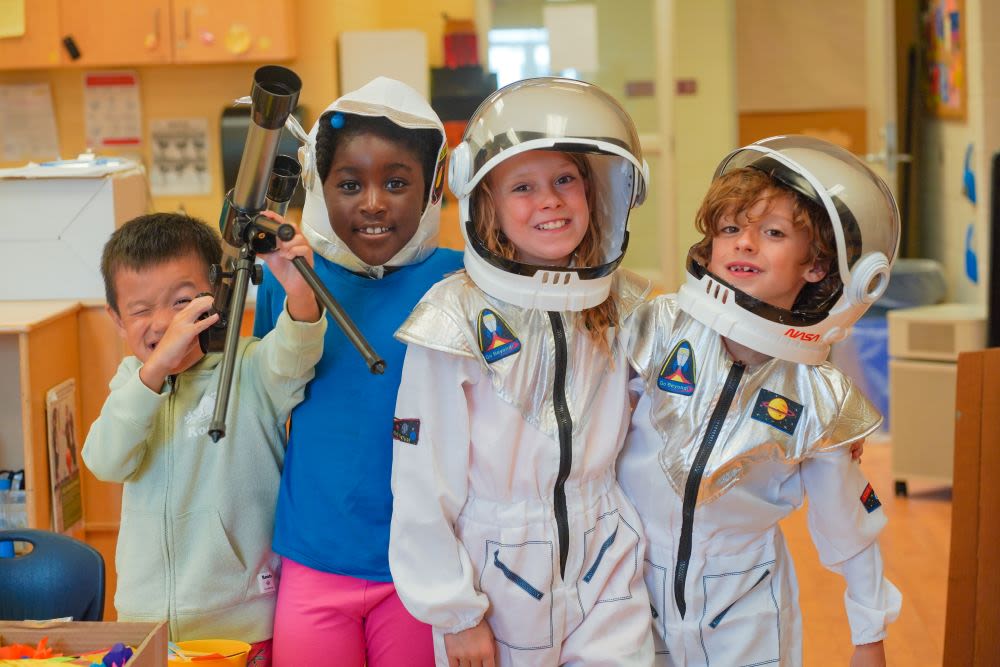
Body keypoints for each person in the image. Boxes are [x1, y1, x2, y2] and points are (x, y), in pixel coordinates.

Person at [389, 78, 656, 667]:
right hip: (496, 573)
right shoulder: (454, 318)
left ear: (597, 191)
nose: (551, 201)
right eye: (523, 187)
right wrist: (455, 611)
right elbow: (420, 477)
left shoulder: (626, 308)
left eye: (565, 179)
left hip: (607, 551)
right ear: (486, 204)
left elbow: (678, 410)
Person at [618, 136, 903, 667]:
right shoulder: (656, 330)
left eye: (772, 233)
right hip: (628, 584)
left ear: (817, 266)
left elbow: (847, 521)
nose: (744, 244)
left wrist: (868, 634)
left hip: (744, 598)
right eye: (730, 229)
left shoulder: (819, 397)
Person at [252, 77, 463, 667]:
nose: (372, 203)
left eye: (396, 183)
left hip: (424, 566)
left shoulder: (462, 282)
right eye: (349, 184)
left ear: (431, 190)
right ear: (320, 189)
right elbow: (267, 401)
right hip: (315, 555)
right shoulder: (290, 280)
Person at [83, 212, 325, 666]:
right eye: (140, 310)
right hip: (146, 630)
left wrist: (299, 289)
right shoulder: (133, 382)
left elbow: (296, 352)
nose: (164, 324)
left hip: (239, 628)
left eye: (181, 302)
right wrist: (153, 374)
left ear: (220, 295)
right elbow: (105, 461)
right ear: (116, 318)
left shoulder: (249, 367)